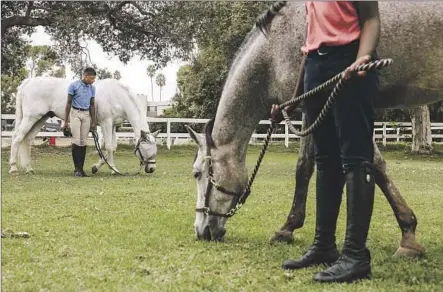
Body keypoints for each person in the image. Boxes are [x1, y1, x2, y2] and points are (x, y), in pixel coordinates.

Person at [271, 1, 381, 283]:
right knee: (324, 159)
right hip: (316, 66)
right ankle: (324, 246)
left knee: (355, 157)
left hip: (349, 61)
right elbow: (310, 45)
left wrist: (363, 57)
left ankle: (356, 255)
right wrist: (293, 100)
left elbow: (371, 19)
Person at [62, 67, 97, 177]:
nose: (93, 80)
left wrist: (94, 122)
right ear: (85, 76)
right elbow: (68, 103)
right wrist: (66, 121)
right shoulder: (73, 85)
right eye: (91, 78)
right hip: (75, 113)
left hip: (86, 114)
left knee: (83, 142)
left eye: (94, 78)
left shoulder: (92, 88)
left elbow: (92, 105)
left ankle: (81, 169)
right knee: (76, 141)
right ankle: (77, 169)